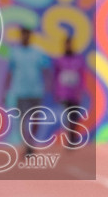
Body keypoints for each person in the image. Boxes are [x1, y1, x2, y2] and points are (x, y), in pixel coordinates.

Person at [7, 26, 48, 156]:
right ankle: (27, 144)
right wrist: (6, 90)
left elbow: (46, 70)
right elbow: (10, 72)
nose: (25, 37)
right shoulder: (15, 52)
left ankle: (31, 141)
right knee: (23, 120)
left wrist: (48, 86)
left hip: (36, 90)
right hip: (20, 91)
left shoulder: (38, 52)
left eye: (27, 35)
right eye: (23, 35)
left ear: (30, 36)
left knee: (36, 119)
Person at [50, 33, 90, 144]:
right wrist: (56, 92)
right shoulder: (59, 60)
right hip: (64, 93)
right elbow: (56, 77)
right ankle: (70, 137)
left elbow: (82, 76)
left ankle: (73, 136)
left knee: (75, 115)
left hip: (75, 93)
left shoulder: (78, 59)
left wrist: (81, 90)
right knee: (67, 115)